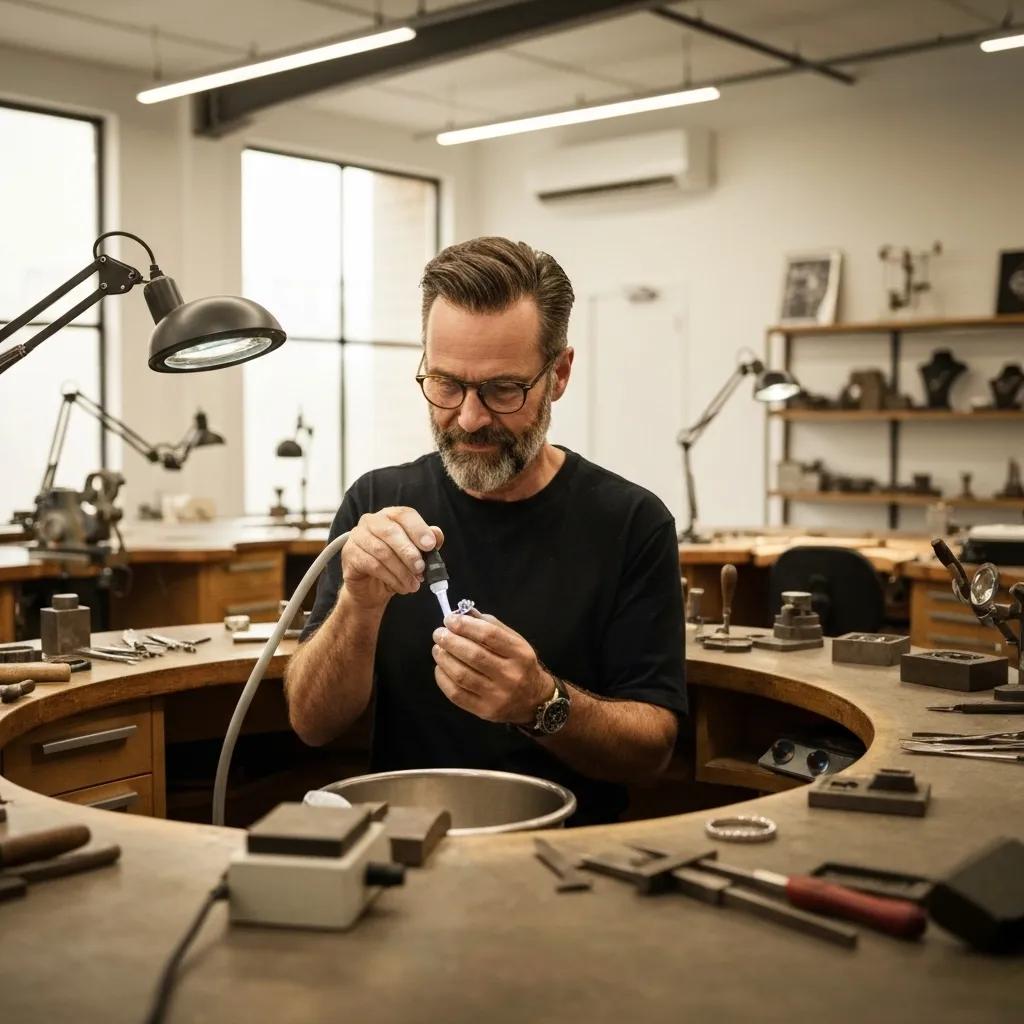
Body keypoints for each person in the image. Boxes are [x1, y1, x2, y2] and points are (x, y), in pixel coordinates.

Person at [286, 237, 686, 825]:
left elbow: (652, 749)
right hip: (405, 846)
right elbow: (311, 723)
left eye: (503, 389)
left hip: (571, 856)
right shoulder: (376, 503)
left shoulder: (631, 523)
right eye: (446, 384)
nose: (470, 418)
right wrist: (358, 604)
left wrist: (542, 703)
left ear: (560, 373)